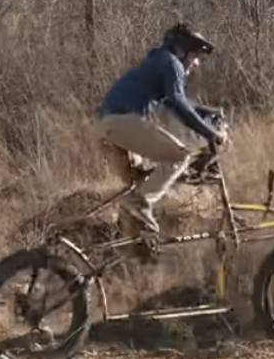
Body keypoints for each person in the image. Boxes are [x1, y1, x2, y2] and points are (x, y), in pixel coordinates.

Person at [94, 22, 227, 238]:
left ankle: (124, 236)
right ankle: (139, 207)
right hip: (121, 123)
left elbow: (173, 105)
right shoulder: (172, 63)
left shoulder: (158, 61)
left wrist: (206, 113)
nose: (196, 64)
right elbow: (178, 102)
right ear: (181, 50)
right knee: (180, 156)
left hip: (107, 127)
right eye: (195, 56)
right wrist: (210, 133)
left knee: (143, 181)